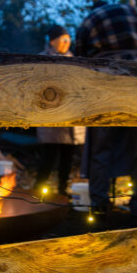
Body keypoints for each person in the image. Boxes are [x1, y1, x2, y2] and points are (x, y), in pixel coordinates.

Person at [75, 3, 137, 220]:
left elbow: (79, 61)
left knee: (101, 149)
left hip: (104, 81)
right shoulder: (135, 10)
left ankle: (98, 208)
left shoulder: (89, 21)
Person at [34, 25, 85, 195]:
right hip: (51, 117)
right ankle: (39, 189)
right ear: (53, 41)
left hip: (70, 117)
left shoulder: (73, 59)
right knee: (48, 156)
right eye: (63, 39)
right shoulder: (42, 59)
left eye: (68, 38)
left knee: (67, 158)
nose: (66, 42)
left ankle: (63, 190)